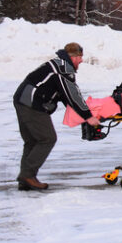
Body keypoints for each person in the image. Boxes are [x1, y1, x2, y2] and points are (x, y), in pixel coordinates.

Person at [13, 43, 100, 191]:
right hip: (32, 104)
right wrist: (88, 116)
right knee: (47, 138)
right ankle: (27, 176)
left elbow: (65, 95)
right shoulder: (63, 70)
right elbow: (72, 95)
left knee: (32, 141)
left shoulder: (57, 64)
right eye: (80, 57)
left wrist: (79, 113)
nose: (81, 61)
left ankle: (26, 178)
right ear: (73, 57)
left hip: (22, 99)